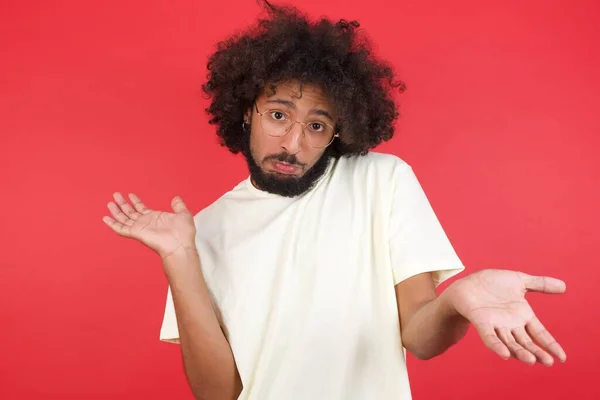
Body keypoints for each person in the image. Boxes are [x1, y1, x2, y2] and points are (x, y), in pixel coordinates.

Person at [102, 1, 567, 399]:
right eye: (279, 114)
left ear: (340, 130)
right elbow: (217, 391)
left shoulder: (381, 181)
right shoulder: (201, 230)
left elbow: (421, 339)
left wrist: (457, 300)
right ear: (247, 111)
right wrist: (181, 259)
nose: (293, 143)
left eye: (317, 125)